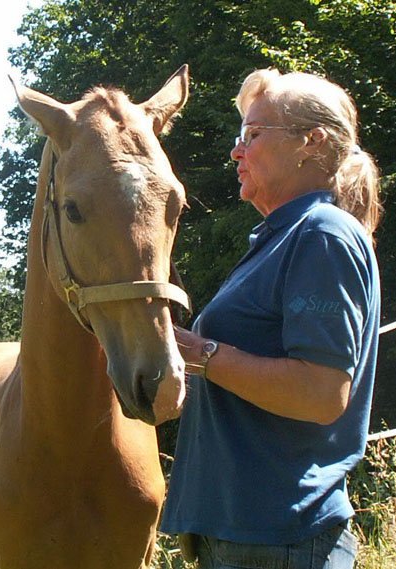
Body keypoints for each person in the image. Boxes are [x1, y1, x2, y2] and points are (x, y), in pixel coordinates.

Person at [160, 68, 382, 569]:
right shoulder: (280, 238)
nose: (235, 151)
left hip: (279, 541)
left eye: (253, 134)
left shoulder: (321, 234)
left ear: (311, 142)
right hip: (243, 538)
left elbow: (321, 393)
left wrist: (201, 353)